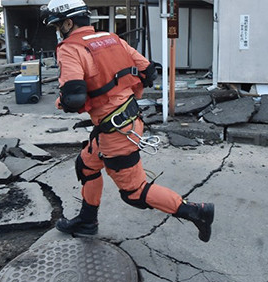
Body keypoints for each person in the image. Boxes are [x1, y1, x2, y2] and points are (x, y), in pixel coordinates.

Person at [41, 0, 215, 242]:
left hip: (116, 132)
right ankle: (87, 221)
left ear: (69, 22)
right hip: (125, 121)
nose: (59, 30)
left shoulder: (69, 48)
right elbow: (148, 71)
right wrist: (119, 93)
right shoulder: (112, 38)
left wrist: (63, 102)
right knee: (87, 165)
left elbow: (73, 97)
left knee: (134, 192)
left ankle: (196, 211)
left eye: (59, 25)